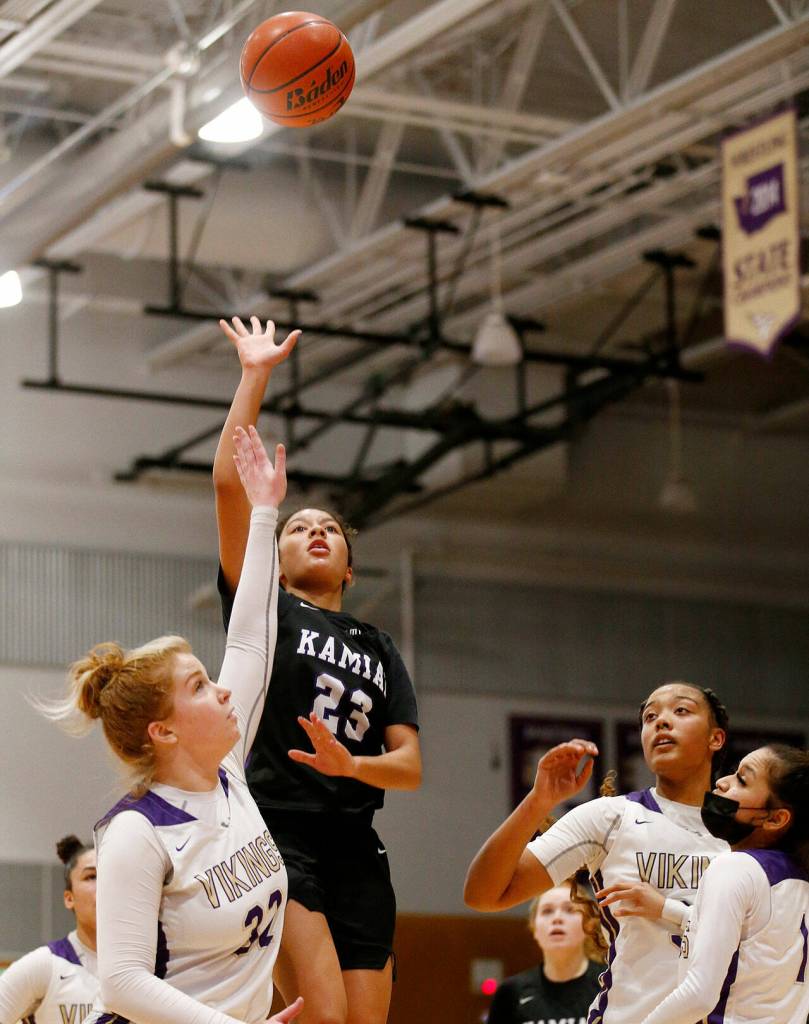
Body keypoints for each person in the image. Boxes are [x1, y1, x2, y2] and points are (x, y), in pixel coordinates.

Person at [44, 426, 302, 1024]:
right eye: (199, 687)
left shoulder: (229, 774)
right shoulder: (137, 833)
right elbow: (124, 986)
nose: (222, 690)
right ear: (163, 731)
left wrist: (265, 512)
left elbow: (252, 634)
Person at [213, 317, 422, 1024]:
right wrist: (254, 376)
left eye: (328, 527)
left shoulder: (378, 644)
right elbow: (226, 486)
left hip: (355, 841)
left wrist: (351, 767)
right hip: (273, 826)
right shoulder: (262, 604)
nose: (315, 532)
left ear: (349, 565)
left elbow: (410, 766)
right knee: (321, 1015)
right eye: (299, 525)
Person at [464, 681, 730, 1024]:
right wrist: (538, 801)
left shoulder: (748, 834)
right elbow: (484, 893)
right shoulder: (610, 817)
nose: (661, 722)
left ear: (716, 738)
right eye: (650, 717)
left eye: (681, 711)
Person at [637, 743, 809, 1024]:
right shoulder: (798, 877)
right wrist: (668, 909)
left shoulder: (735, 867)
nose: (722, 782)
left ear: (776, 818)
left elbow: (699, 996)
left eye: (742, 779)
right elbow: (753, 937)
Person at [0, 835, 99, 1024]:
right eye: (91, 876)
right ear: (69, 898)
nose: (103, 885)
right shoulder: (45, 965)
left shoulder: (151, 965)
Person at [486, 878, 605, 1024]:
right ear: (534, 928)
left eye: (569, 909)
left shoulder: (609, 983)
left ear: (589, 925)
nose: (557, 918)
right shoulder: (511, 993)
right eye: (547, 911)